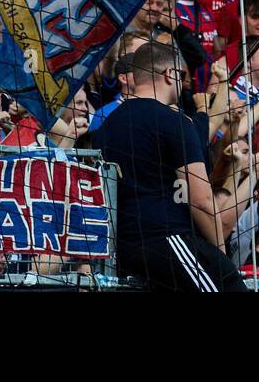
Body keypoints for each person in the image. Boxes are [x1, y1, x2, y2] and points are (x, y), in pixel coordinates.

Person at [92, 42, 246, 291]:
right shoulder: (172, 120)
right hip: (168, 239)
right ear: (169, 74)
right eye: (181, 75)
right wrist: (219, 254)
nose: (183, 82)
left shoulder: (106, 127)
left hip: (123, 248)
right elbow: (201, 200)